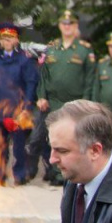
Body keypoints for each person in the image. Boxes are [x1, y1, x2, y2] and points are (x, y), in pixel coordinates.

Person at [33, 10, 95, 185]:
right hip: (54, 102)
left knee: (75, 139)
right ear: (60, 26)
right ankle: (57, 173)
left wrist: (86, 103)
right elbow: (43, 76)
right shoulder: (52, 49)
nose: (67, 27)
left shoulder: (84, 50)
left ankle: (74, 173)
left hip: (75, 103)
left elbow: (91, 79)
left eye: (71, 24)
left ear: (76, 26)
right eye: (64, 24)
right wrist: (41, 96)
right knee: (55, 138)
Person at [0, 23, 39, 184]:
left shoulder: (24, 59)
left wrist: (27, 108)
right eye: (3, 38)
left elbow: (30, 84)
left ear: (16, 40)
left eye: (10, 38)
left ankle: (20, 175)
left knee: (19, 147)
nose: (6, 41)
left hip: (17, 111)